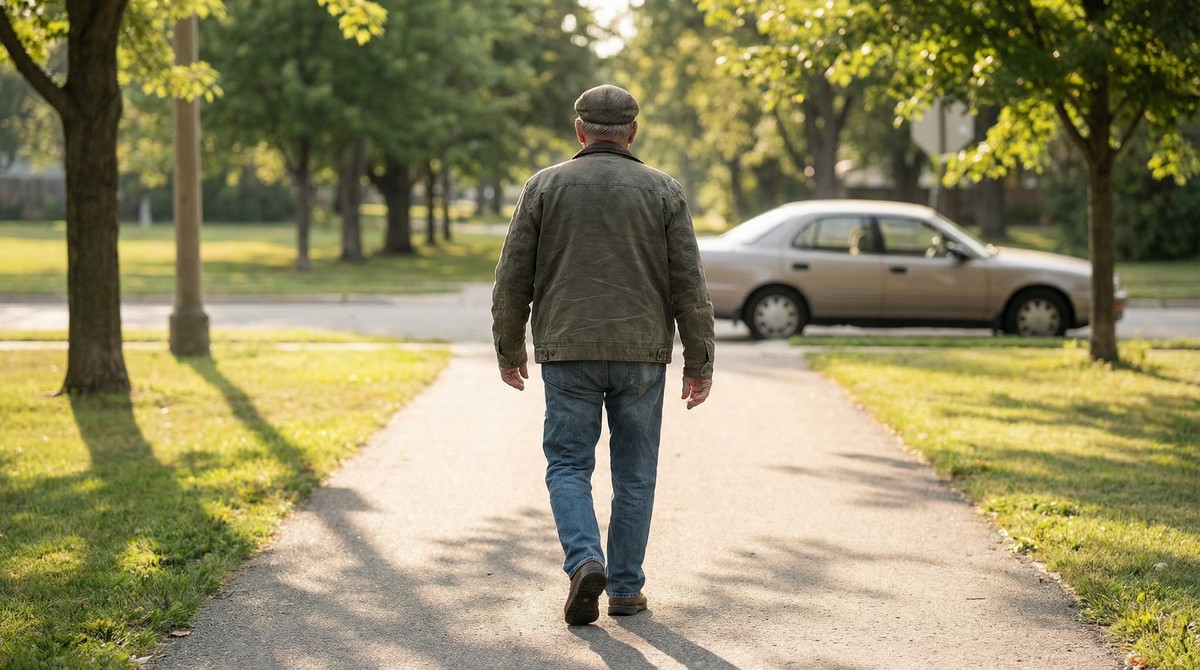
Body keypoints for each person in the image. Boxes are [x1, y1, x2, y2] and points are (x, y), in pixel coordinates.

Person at [491, 84, 716, 626]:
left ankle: (584, 559)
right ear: (633, 132)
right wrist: (700, 361)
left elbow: (512, 277)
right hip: (642, 355)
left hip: (568, 350)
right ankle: (625, 588)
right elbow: (690, 284)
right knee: (636, 471)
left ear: (580, 131)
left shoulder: (543, 187)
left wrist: (508, 347)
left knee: (568, 462)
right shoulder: (664, 191)